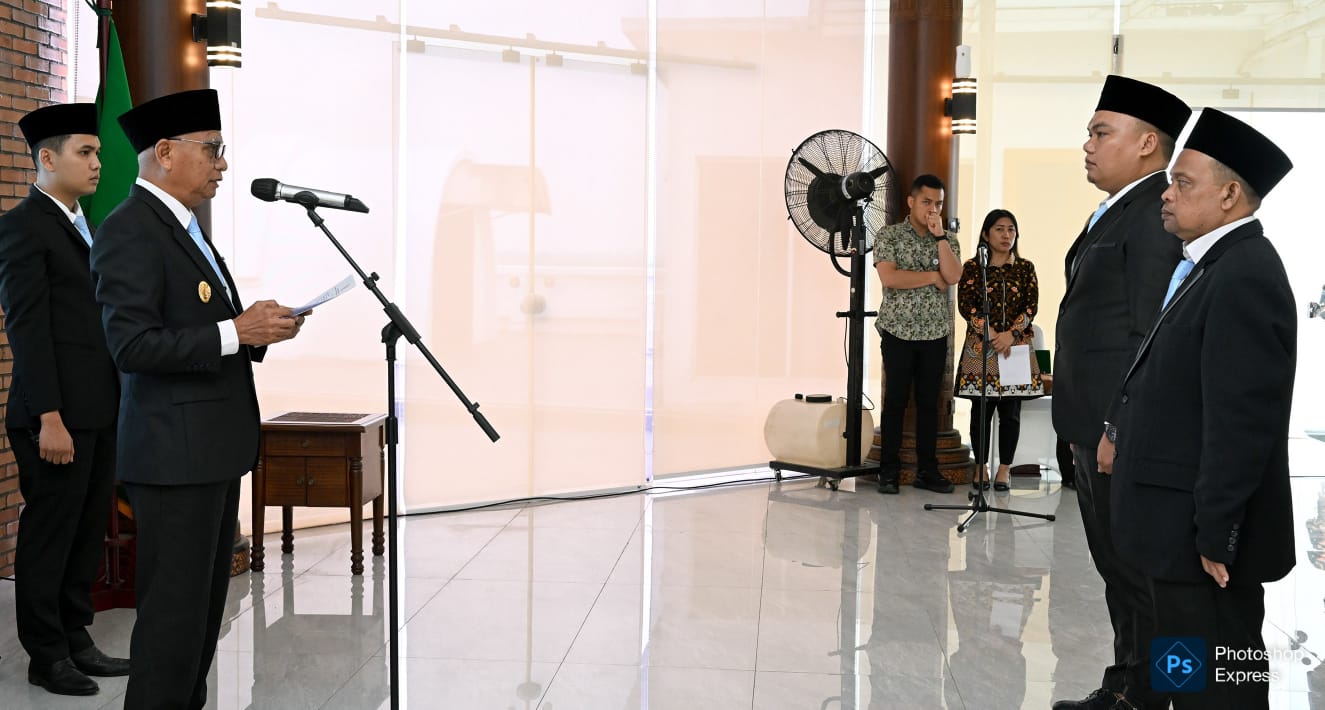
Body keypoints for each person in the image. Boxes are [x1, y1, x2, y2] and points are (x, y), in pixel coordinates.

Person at [88, 88, 306, 710]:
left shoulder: (184, 227)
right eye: (212, 149)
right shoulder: (130, 229)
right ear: (164, 152)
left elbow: (205, 327)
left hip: (208, 452)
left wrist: (257, 330)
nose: (223, 164)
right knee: (172, 623)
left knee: (203, 618)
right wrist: (236, 331)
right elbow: (132, 345)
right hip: (173, 458)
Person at [1107, 108, 1295, 710]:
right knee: (1184, 678)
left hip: (1205, 547)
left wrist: (1219, 533)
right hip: (1177, 536)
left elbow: (1242, 422)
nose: (1166, 194)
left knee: (1222, 686)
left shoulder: (1244, 274)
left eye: (1183, 183)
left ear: (1230, 195)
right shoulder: (1206, 264)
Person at [1051, 75, 1192, 710]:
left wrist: (1117, 427)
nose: (1088, 144)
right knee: (1116, 570)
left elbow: (1147, 335)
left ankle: (1151, 695)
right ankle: (1128, 683)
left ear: (1146, 143)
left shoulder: (1155, 216)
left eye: (1101, 132)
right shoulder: (1118, 210)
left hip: (1117, 431)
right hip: (1091, 423)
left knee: (1137, 575)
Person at [0, 103, 129, 697]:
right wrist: (48, 417)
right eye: (86, 152)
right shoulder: (23, 225)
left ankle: (77, 638)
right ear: (47, 158)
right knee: (50, 536)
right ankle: (46, 655)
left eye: (97, 152)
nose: (98, 162)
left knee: (84, 532)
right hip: (53, 416)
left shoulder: (83, 224)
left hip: (97, 409)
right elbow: (27, 328)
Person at [873, 174, 962, 495]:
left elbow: (953, 275)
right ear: (911, 202)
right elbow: (890, 278)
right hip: (897, 331)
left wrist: (939, 237)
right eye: (926, 202)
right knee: (895, 402)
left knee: (929, 404)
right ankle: (888, 471)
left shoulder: (948, 240)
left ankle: (928, 470)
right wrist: (931, 277)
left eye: (938, 204)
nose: (932, 209)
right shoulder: (890, 235)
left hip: (934, 333)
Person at [955, 208, 1043, 492]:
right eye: (1000, 229)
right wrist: (991, 333)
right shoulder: (973, 267)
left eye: (1011, 229)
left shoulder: (1025, 267)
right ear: (986, 234)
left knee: (1011, 412)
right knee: (981, 410)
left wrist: (1010, 334)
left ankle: (1004, 469)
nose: (1007, 235)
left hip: (1015, 347)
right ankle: (980, 467)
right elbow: (966, 305)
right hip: (982, 347)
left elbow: (1031, 306)